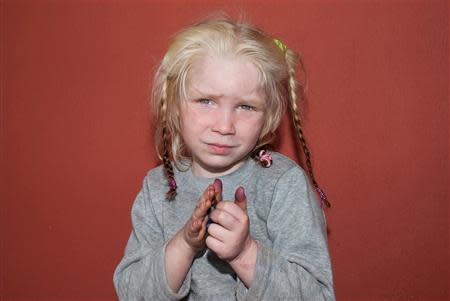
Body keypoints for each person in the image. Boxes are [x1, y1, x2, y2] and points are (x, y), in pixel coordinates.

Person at [113, 15, 335, 301]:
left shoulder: (283, 185)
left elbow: (318, 296)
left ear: (268, 117)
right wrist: (184, 244)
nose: (224, 126)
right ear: (174, 104)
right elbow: (131, 293)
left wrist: (244, 253)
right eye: (206, 101)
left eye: (245, 106)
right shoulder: (157, 190)